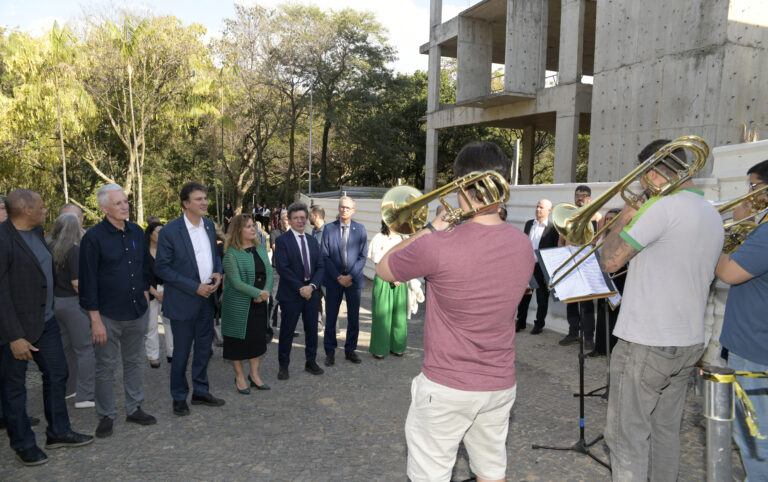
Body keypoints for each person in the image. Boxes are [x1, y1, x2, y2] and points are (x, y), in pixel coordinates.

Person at [377, 141, 534, 482]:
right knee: (492, 473)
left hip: (447, 386)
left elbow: (384, 267)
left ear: (461, 186)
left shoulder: (437, 245)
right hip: (499, 383)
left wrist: (432, 227)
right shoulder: (523, 244)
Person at [598, 139, 723, 481]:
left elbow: (609, 261)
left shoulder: (662, 208)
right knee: (665, 432)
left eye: (642, 176)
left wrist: (623, 219)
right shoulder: (711, 213)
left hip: (646, 341)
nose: (641, 184)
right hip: (687, 341)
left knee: (626, 437)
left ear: (653, 173)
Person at [0, 189, 94, 466]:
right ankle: (23, 444)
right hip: (16, 330)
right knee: (14, 387)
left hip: (46, 321)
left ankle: (58, 432)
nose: (45, 211)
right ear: (26, 209)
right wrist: (14, 336)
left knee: (57, 373)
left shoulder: (38, 233)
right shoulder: (3, 240)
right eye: (41, 207)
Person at [79, 184, 157, 438]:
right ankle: (106, 415)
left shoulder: (136, 231)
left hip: (136, 310)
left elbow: (144, 266)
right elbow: (88, 280)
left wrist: (144, 291)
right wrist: (95, 319)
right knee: (105, 366)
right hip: (107, 315)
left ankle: (134, 408)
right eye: (118, 203)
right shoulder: (93, 238)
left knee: (134, 361)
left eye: (126, 201)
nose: (125, 206)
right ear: (104, 208)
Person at [715, 159, 768, 481]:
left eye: (753, 186)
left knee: (754, 436)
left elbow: (729, 273)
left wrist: (732, 228)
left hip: (753, 349)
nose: (749, 193)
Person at [155, 182, 225, 417]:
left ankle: (201, 391)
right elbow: (162, 268)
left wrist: (218, 273)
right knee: (181, 353)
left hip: (207, 300)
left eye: (205, 198)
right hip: (183, 301)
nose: (204, 202)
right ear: (185, 203)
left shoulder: (209, 225)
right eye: (198, 199)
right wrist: (195, 287)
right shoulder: (170, 231)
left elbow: (215, 256)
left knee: (204, 350)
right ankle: (178, 397)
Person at [221, 214, 273, 393]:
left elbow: (270, 273)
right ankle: (240, 377)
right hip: (238, 306)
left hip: (259, 303)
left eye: (253, 226)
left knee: (256, 341)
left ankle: (254, 375)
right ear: (238, 230)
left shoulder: (260, 249)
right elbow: (236, 283)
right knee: (237, 343)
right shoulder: (231, 254)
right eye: (248, 226)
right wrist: (257, 293)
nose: (253, 229)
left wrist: (265, 293)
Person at [274, 203, 325, 380]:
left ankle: (311, 362)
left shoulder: (312, 240)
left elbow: (320, 266)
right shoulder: (282, 241)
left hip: (311, 293)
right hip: (291, 294)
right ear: (289, 220)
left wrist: (312, 287)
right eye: (296, 218)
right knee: (287, 331)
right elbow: (282, 268)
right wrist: (300, 288)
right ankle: (283, 366)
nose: (300, 221)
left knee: (312, 329)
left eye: (303, 217)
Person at [49, 213, 95, 409]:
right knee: (85, 349)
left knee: (66, 348)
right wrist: (91, 303)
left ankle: (70, 389)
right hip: (73, 305)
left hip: (55, 303)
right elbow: (77, 283)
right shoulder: (74, 250)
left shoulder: (49, 247)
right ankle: (85, 395)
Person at [321, 197, 368, 365]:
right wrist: (338, 277)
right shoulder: (329, 229)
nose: (344, 210)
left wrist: (350, 276)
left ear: (353, 210)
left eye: (348, 208)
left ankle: (350, 350)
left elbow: (363, 257)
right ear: (338, 209)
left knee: (353, 318)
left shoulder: (360, 229)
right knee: (331, 317)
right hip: (334, 280)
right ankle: (330, 351)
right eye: (342, 207)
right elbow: (324, 255)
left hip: (353, 281)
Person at [558, 185, 601, 349]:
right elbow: (561, 239)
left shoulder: (597, 217)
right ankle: (573, 333)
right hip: (569, 262)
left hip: (586, 263)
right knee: (570, 301)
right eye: (577, 195)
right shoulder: (568, 215)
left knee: (586, 303)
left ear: (589, 198)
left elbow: (598, 240)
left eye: (583, 195)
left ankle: (588, 337)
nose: (579, 198)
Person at [515, 199, 558, 334]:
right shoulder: (529, 224)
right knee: (524, 296)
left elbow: (554, 251)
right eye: (537, 206)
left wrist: (549, 272)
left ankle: (539, 325)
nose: (538, 209)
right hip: (527, 265)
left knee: (542, 298)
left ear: (549, 211)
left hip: (542, 267)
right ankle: (520, 322)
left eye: (541, 207)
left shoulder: (553, 228)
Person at [589, 208, 626, 358]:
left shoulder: (624, 236)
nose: (609, 222)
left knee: (614, 314)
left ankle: (612, 348)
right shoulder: (602, 237)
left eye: (612, 219)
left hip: (618, 277)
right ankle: (600, 347)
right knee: (602, 312)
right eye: (607, 219)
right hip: (604, 276)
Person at [367, 221, 407, 359]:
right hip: (383, 279)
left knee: (399, 314)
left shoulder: (404, 238)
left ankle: (398, 346)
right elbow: (377, 261)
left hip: (401, 280)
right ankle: (379, 348)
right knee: (381, 314)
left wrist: (401, 276)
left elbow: (408, 260)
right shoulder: (379, 238)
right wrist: (391, 276)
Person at [144, 222, 174, 368]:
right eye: (158, 232)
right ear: (150, 234)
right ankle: (153, 356)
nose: (162, 235)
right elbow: (140, 275)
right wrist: (155, 293)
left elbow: (173, 272)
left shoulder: (167, 251)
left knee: (169, 324)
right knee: (151, 326)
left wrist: (166, 291)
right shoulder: (143, 253)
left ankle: (172, 353)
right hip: (150, 292)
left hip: (167, 291)